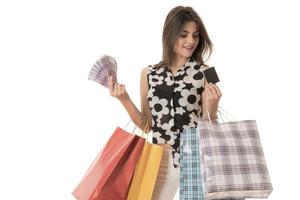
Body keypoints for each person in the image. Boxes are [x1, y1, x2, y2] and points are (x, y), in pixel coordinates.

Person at [108, 5, 240, 200]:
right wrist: (124, 99)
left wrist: (212, 107)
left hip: (196, 158)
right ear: (170, 34)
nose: (190, 41)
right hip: (159, 159)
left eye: (195, 35)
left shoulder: (208, 71)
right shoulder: (148, 73)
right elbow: (147, 126)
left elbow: (211, 128)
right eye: (184, 34)